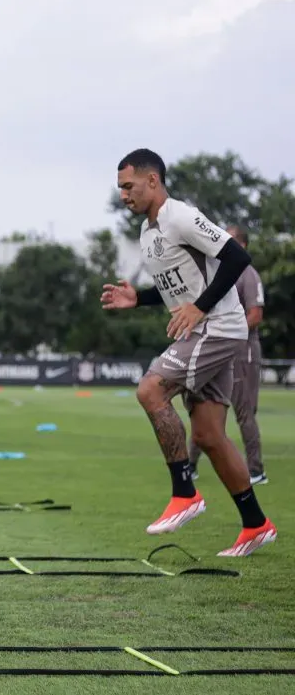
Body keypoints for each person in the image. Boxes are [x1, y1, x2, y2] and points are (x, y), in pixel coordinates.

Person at [101, 148, 276, 557]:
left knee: (151, 391)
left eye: (128, 186)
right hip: (204, 328)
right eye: (120, 188)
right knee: (210, 435)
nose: (124, 195)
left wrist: (201, 308)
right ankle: (256, 524)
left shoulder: (180, 215)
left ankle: (185, 492)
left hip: (217, 328)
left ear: (152, 181)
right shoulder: (149, 231)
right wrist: (139, 298)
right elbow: (178, 288)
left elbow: (237, 256)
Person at [188, 226, 267, 486]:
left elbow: (255, 315)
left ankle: (256, 471)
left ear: (241, 245)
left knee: (244, 411)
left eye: (228, 239)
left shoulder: (248, 274)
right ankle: (190, 466)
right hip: (218, 346)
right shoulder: (220, 272)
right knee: (205, 404)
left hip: (242, 349)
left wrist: (228, 332)